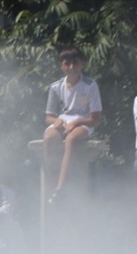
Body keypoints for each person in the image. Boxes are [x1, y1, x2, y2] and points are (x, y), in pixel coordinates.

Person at [42, 46, 103, 197]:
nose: (71, 67)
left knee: (71, 139)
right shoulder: (56, 87)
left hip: (83, 123)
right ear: (61, 66)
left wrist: (76, 123)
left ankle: (60, 188)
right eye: (67, 64)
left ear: (81, 64)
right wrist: (56, 121)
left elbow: (95, 119)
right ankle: (52, 184)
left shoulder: (90, 85)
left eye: (75, 63)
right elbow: (48, 116)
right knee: (49, 137)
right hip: (62, 122)